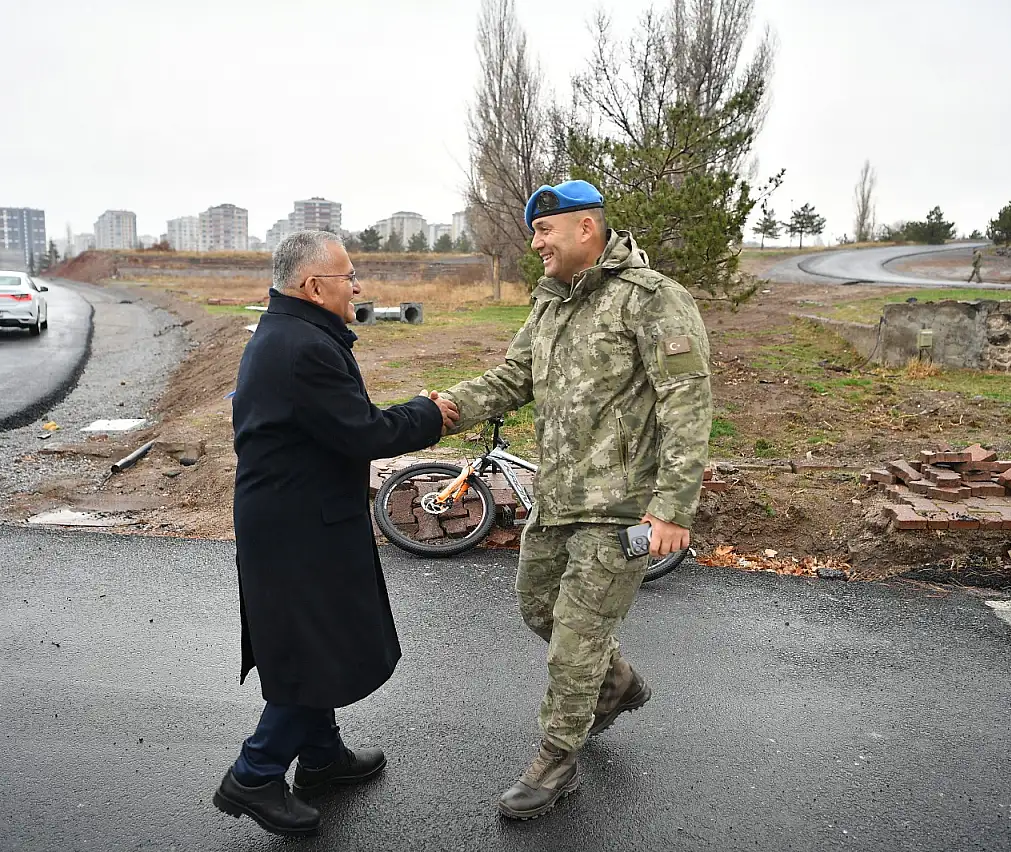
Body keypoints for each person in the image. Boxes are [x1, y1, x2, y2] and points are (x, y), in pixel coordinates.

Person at [437, 180, 713, 819]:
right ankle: (617, 686)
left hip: (620, 507)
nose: (535, 244)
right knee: (538, 610)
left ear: (585, 230)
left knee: (576, 640)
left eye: (544, 232)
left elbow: (687, 404)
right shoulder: (551, 304)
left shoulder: (652, 301)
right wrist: (445, 408)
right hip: (556, 496)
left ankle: (556, 762)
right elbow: (513, 379)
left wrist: (671, 507)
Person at [214, 230, 459, 836]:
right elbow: (364, 433)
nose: (358, 285)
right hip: (300, 528)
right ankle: (256, 773)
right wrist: (430, 414)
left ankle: (321, 757)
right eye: (349, 275)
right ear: (313, 286)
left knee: (313, 639)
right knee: (315, 644)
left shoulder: (294, 333)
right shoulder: (303, 348)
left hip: (300, 516)